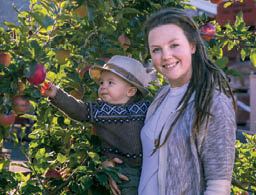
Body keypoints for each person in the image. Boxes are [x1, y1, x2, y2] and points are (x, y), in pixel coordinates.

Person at [108, 8, 237, 195]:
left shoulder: (212, 102)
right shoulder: (161, 97)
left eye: (174, 45)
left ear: (192, 45)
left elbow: (218, 187)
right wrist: (113, 164)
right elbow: (151, 158)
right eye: (156, 49)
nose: (166, 56)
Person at [42, 55, 151, 195]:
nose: (103, 87)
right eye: (101, 83)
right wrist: (56, 94)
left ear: (130, 91)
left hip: (149, 165)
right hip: (122, 167)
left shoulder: (144, 108)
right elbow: (78, 109)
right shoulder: (99, 109)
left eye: (110, 82)